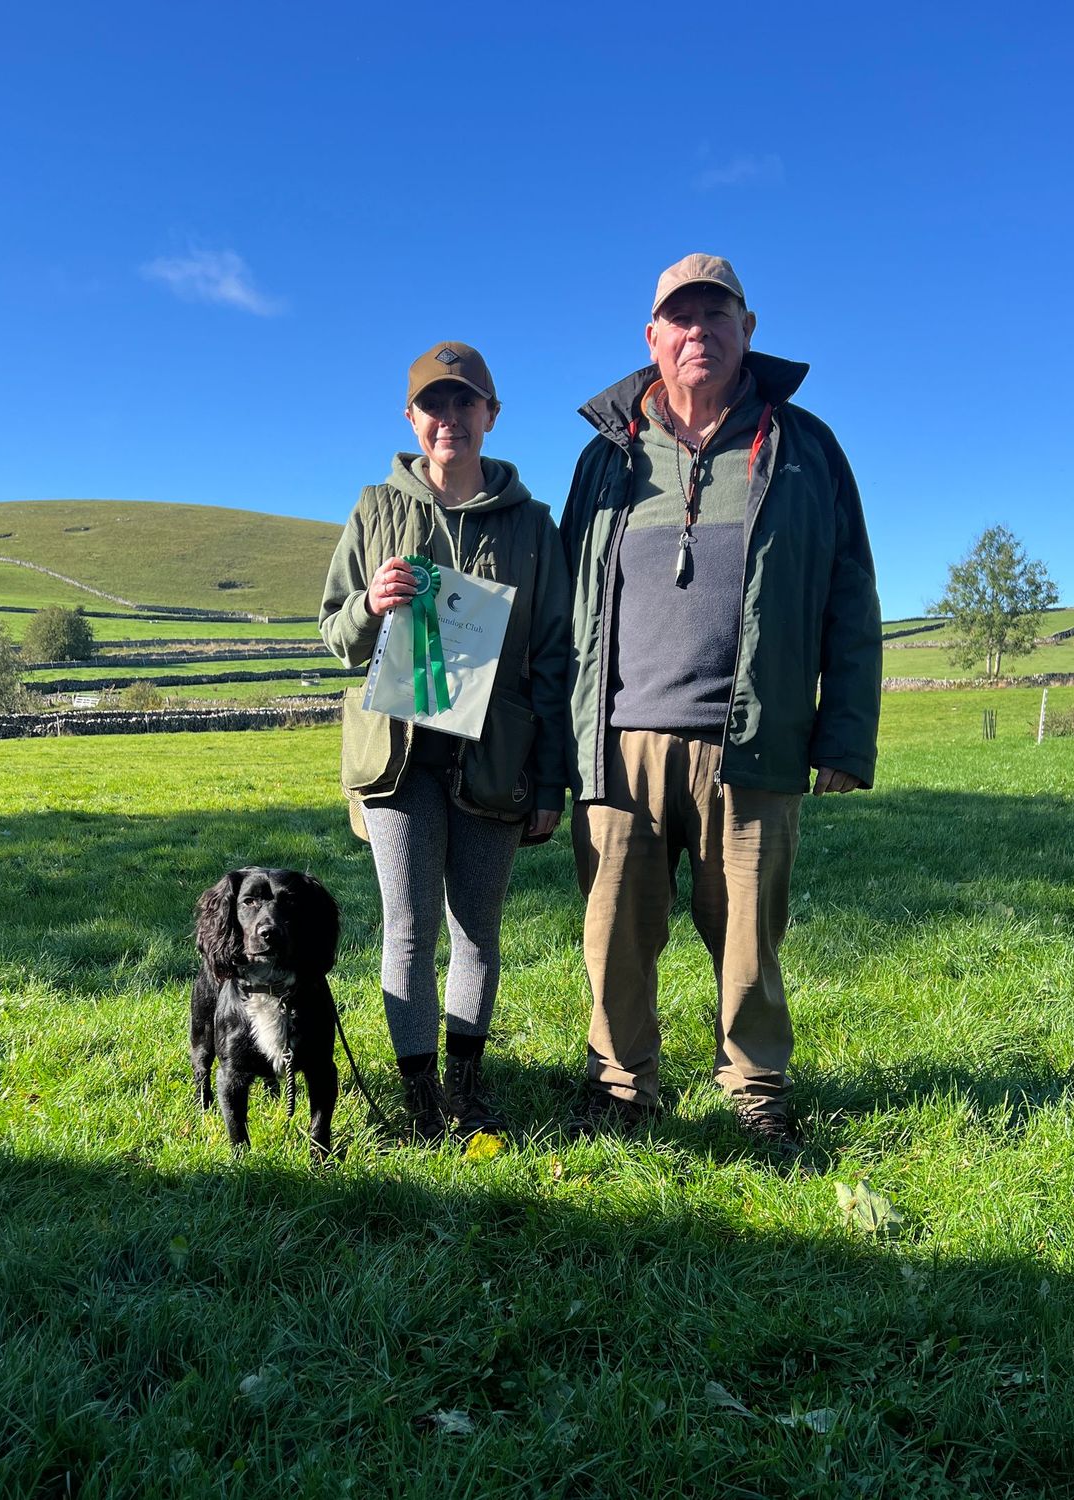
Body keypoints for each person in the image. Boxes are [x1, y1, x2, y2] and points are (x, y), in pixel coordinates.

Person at [560, 254, 881, 1148]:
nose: (698, 332)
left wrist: (844, 734)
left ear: (749, 329)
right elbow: (566, 606)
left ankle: (755, 1091)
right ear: (652, 338)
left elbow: (851, 594)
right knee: (615, 933)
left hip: (757, 739)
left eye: (717, 316)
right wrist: (557, 741)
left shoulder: (803, 447)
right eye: (681, 318)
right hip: (619, 743)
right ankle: (623, 1085)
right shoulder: (605, 458)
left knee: (749, 934)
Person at [320, 341, 570, 1144]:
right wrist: (368, 603)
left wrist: (552, 778)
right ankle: (420, 1098)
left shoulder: (534, 526)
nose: (450, 417)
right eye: (435, 402)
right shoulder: (372, 507)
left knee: (478, 932)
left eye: (466, 402)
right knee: (408, 926)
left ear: (491, 416)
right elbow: (334, 634)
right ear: (411, 417)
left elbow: (556, 657)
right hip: (395, 762)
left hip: (495, 759)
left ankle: (466, 1088)